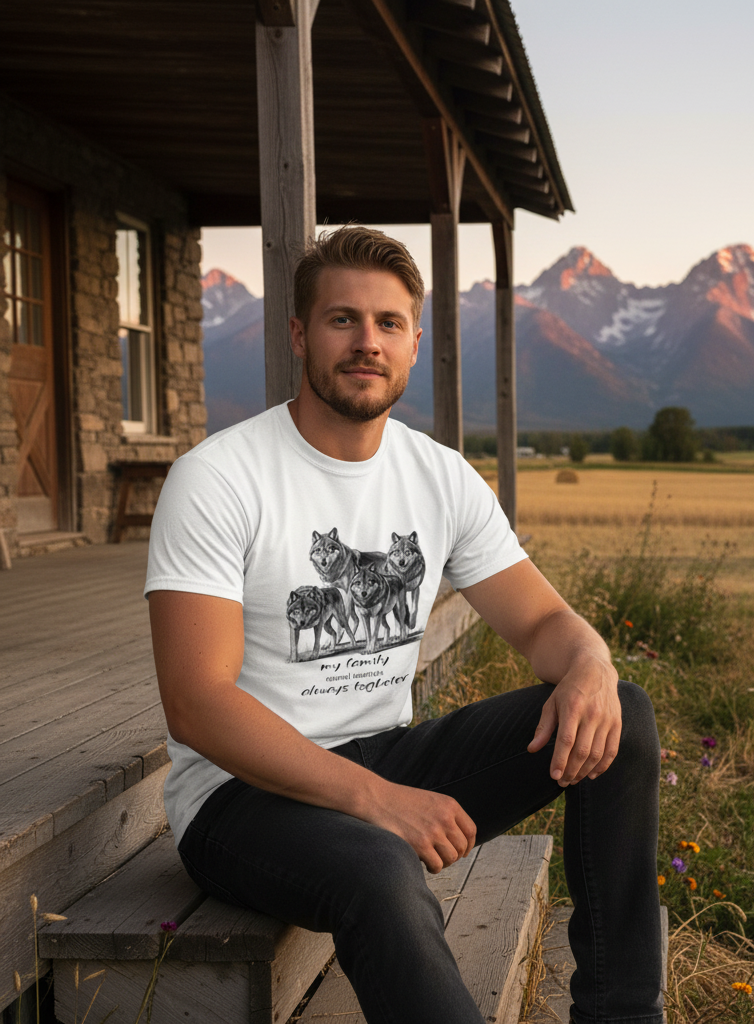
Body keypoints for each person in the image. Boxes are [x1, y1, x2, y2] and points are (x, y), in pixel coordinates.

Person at [145, 226, 663, 1024]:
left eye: (388, 323)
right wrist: (377, 801)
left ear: (414, 343)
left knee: (619, 715)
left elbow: (546, 625)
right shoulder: (218, 479)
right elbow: (197, 704)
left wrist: (590, 661)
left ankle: (622, 1015)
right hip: (240, 797)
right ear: (299, 334)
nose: (366, 342)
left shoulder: (439, 476)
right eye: (341, 319)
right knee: (382, 866)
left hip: (383, 756)